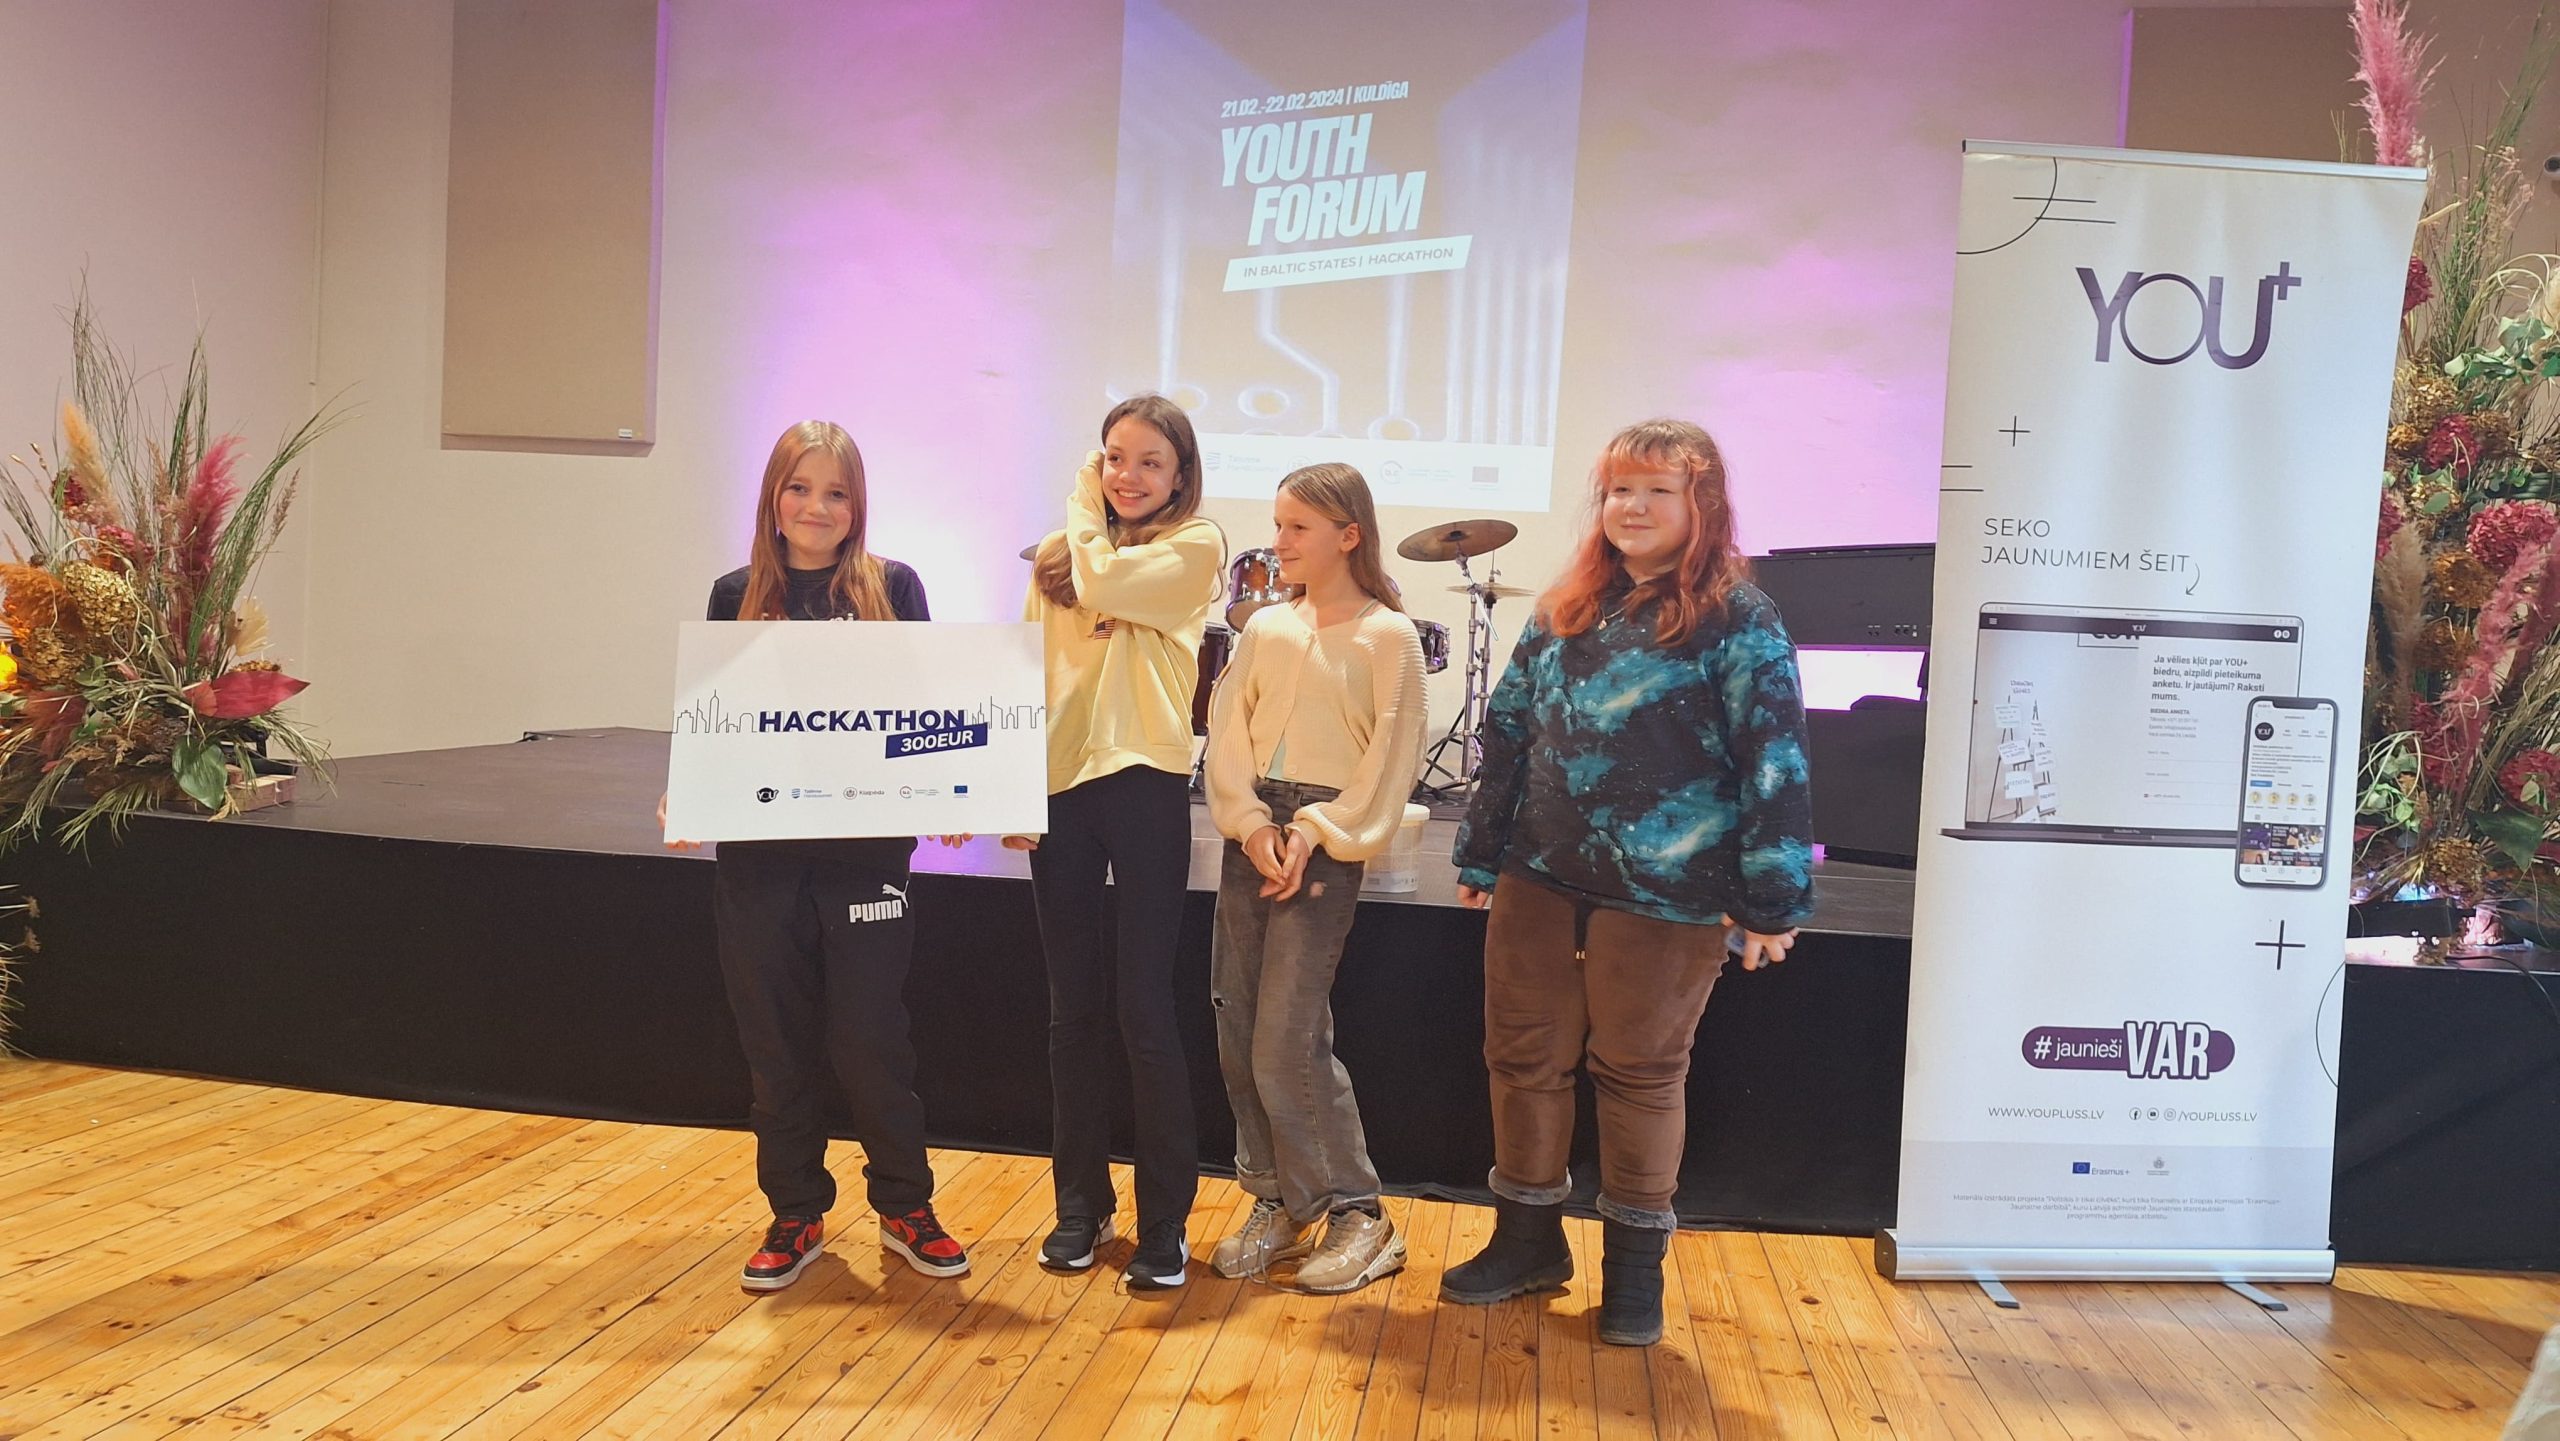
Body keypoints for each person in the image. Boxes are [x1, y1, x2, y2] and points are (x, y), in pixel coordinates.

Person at [1441, 418, 1814, 1346]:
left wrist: (1771, 899)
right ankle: (1527, 1243)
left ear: (1702, 503)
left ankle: (1634, 1275)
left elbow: (1774, 759)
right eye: (1618, 490)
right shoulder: (1564, 606)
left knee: (1641, 1073)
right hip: (1539, 875)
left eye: (1656, 490)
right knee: (1522, 1057)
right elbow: (1508, 731)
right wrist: (1481, 851)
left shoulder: (1740, 617)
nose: (1632, 506)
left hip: (1669, 895)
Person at [659, 420, 968, 1292]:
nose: (817, 507)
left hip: (865, 855)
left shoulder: (893, 587)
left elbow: (924, 712)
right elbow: (714, 718)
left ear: (857, 503)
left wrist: (951, 788)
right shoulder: (734, 594)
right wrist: (687, 789)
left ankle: (905, 1204)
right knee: (776, 1044)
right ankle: (795, 1211)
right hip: (759, 858)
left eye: (836, 492)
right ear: (774, 495)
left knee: (872, 1041)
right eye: (800, 488)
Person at [1011, 395, 1225, 1290]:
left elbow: (1098, 582)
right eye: (1110, 457)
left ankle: (1163, 1222)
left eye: (1148, 461)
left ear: (1180, 475)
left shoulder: (1195, 545)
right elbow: (1032, 666)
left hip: (1143, 782)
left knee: (1144, 1008)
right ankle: (1080, 1206)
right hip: (1060, 786)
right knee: (1072, 1012)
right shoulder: (1060, 556)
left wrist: (1077, 501)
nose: (1125, 475)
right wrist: (1012, 781)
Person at [1200, 462, 1427, 1293]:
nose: (1280, 540)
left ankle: (1359, 1213)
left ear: (1348, 534)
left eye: (1297, 526)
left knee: (1287, 1039)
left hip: (1323, 840)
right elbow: (1228, 729)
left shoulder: (1389, 636)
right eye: (1278, 523)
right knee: (1237, 1023)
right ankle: (1278, 1199)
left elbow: (1389, 761)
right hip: (1255, 833)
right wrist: (1251, 821)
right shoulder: (1266, 628)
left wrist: (1316, 831)